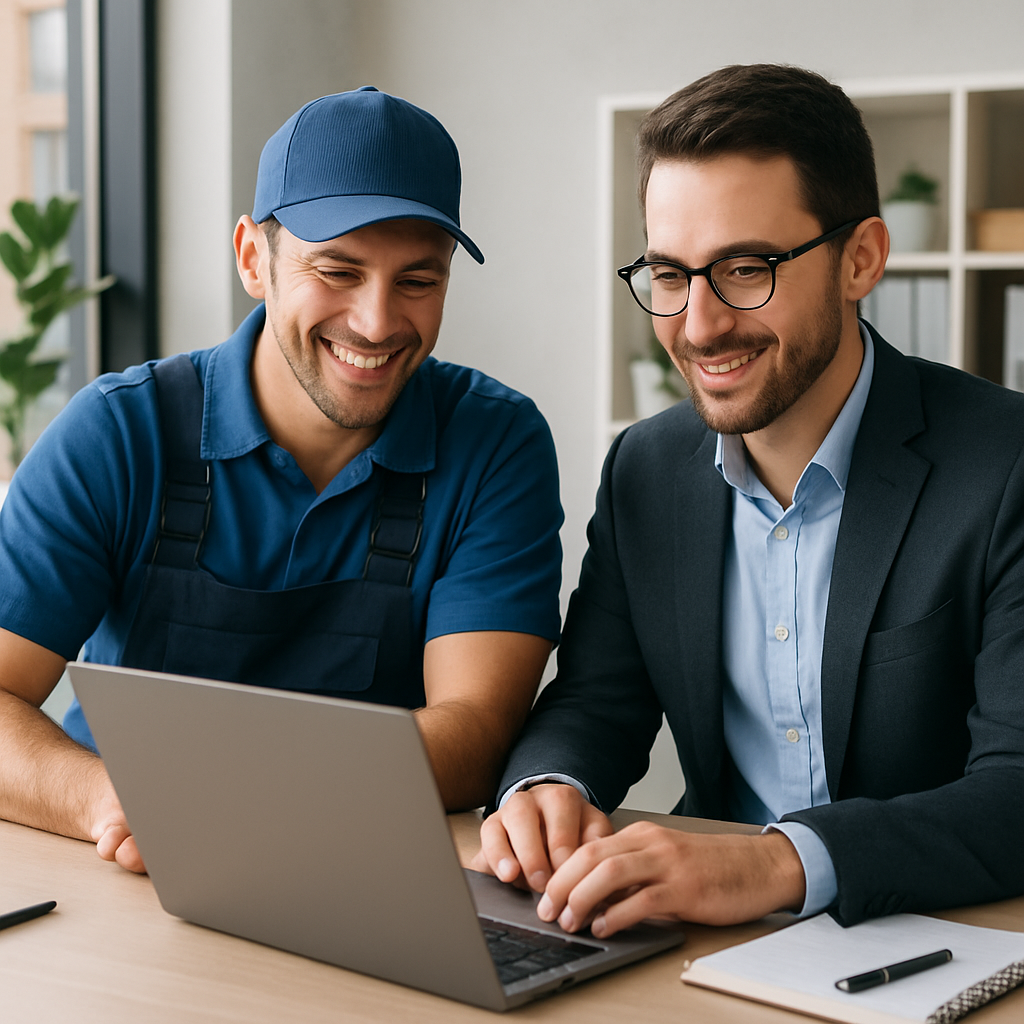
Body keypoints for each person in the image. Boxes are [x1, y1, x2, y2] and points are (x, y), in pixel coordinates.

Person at [475, 64, 1024, 935]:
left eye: (745, 268)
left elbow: (1016, 791)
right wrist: (550, 785)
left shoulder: (1005, 465)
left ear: (862, 259)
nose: (697, 325)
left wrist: (775, 861)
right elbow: (595, 701)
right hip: (713, 944)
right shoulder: (644, 471)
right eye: (668, 273)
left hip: (944, 938)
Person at [0, 87, 562, 873]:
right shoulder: (119, 433)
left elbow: (474, 732)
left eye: (418, 280)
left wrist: (239, 808)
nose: (376, 322)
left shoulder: (495, 444)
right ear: (252, 259)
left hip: (362, 875)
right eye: (337, 270)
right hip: (128, 863)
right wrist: (107, 801)